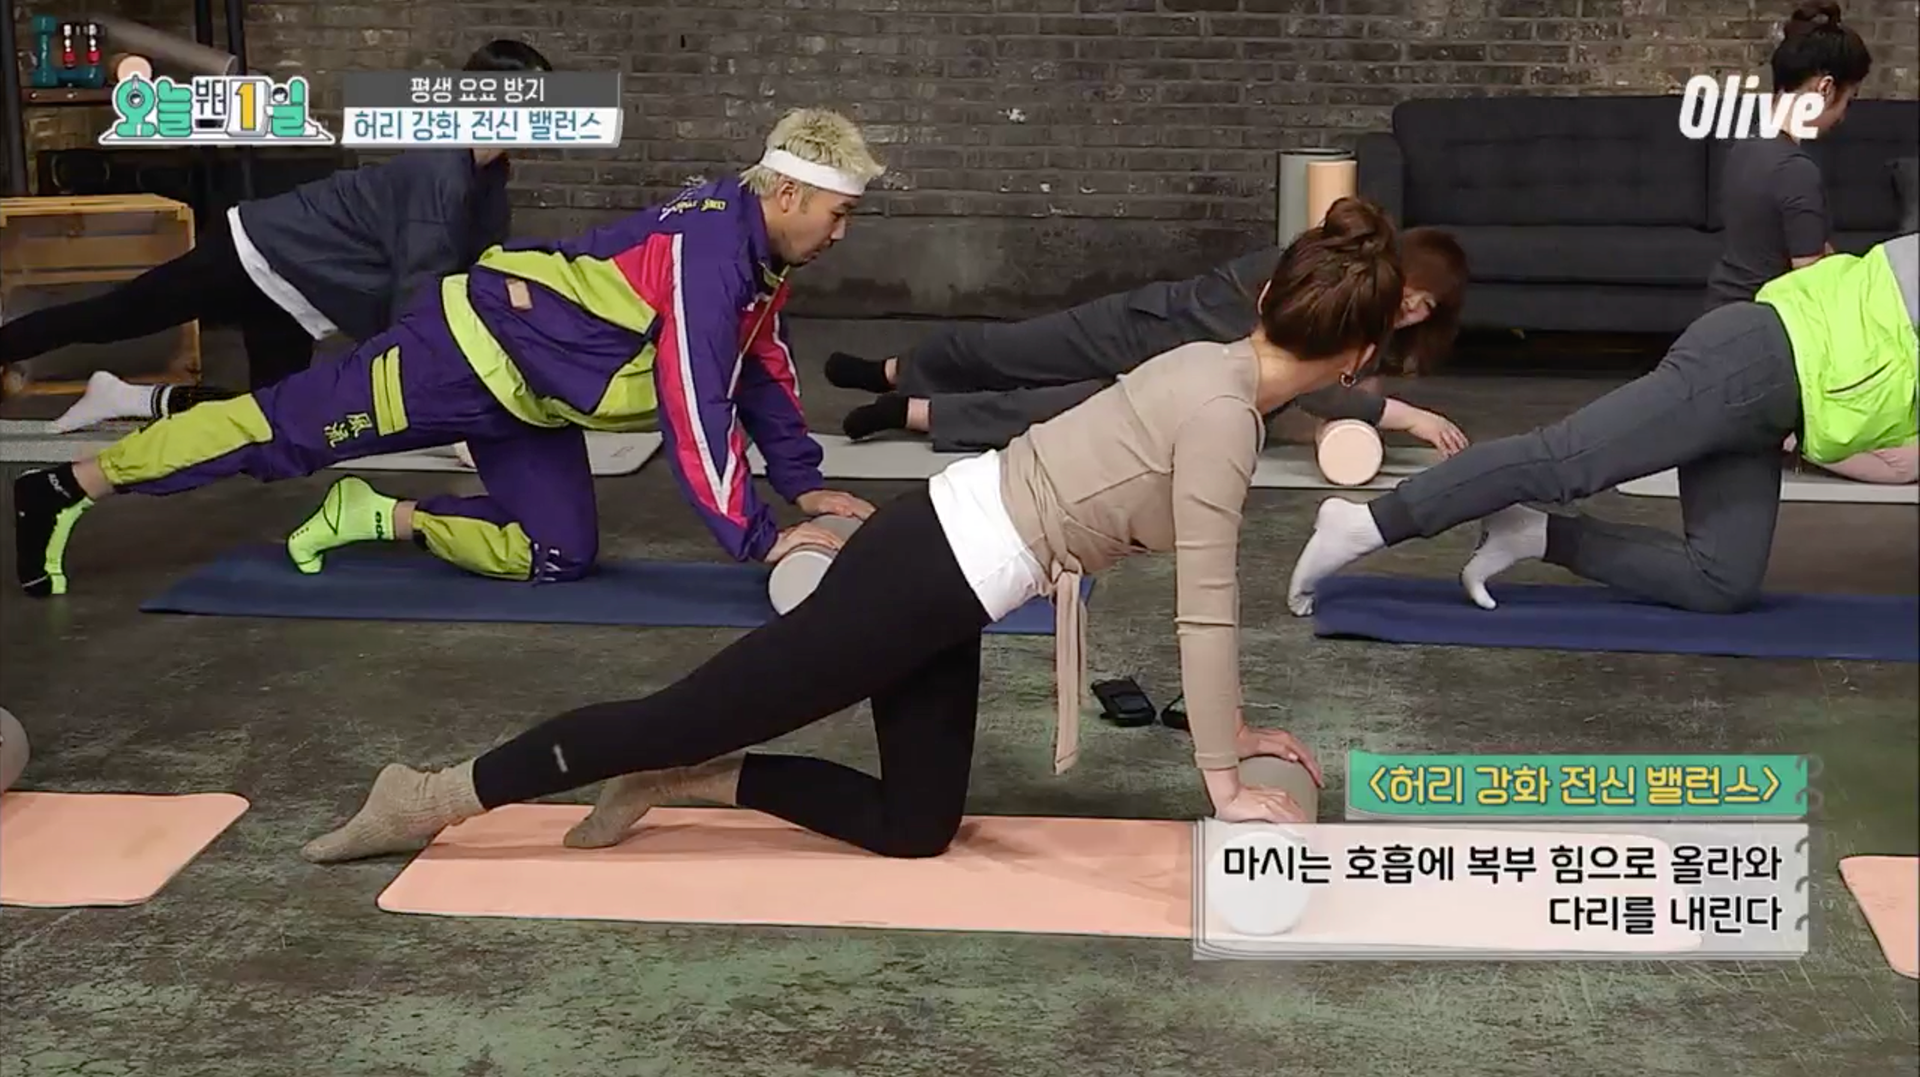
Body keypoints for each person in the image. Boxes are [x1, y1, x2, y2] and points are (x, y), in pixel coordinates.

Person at [296, 197, 1410, 865]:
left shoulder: (1212, 363)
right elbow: (1204, 608)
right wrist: (1225, 775)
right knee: (670, 714)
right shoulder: (1222, 417)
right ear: (1358, 356)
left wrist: (1236, 730)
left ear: (1268, 298)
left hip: (956, 571)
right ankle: (430, 795)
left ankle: (689, 781)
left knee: (915, 825)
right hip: (929, 571)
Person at [12, 108, 884, 597]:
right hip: (460, 357)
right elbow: (695, 400)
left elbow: (760, 363)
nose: (842, 232)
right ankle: (68, 485)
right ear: (790, 192)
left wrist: (803, 481)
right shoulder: (713, 249)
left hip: (535, 395)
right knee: (274, 432)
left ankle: (374, 514)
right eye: (838, 213)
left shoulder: (758, 253)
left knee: (556, 555)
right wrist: (759, 536)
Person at [1286, 231, 1918, 618]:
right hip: (1756, 361)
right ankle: (1368, 522)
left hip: (1776, 409)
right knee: (1565, 460)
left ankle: (1533, 534)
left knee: (1722, 582)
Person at [0, 39, 552, 424]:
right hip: (257, 253)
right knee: (113, 316)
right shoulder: (442, 169)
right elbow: (421, 294)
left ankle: (125, 399)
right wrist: (454, 410)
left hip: (296, 285)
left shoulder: (488, 176)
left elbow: (476, 268)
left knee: (275, 416)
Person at [821, 228, 1470, 456]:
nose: (1415, 310)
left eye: (1428, 308)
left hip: (1184, 385)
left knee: (1061, 412)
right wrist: (1405, 416)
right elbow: (1320, 385)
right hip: (1150, 326)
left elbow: (1317, 390)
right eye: (1415, 292)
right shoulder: (1332, 283)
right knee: (1012, 350)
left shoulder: (1368, 331)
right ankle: (894, 371)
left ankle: (909, 411)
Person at [1704, 2, 1915, 484]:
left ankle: (1779, 429)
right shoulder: (1796, 171)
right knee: (1908, 460)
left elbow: (1810, 252)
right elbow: (1813, 286)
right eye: (1848, 99)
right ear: (1824, 88)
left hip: (1723, 313)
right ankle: (1792, 436)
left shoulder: (1747, 147)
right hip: (1768, 340)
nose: (1842, 116)